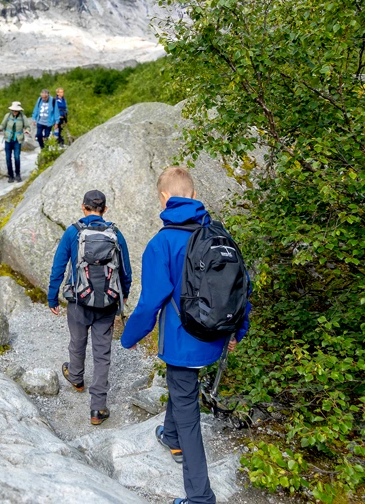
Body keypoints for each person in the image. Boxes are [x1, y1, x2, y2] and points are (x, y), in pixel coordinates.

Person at [120, 166, 251, 504]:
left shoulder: (161, 243)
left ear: (164, 198)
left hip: (182, 340)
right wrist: (239, 331)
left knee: (187, 404)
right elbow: (240, 288)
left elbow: (151, 301)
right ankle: (171, 436)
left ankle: (200, 496)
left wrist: (129, 337)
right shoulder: (218, 236)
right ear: (192, 195)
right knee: (181, 389)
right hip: (215, 336)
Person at [47, 190, 132, 426]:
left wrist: (52, 297)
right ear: (104, 209)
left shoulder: (73, 232)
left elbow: (58, 267)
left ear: (83, 207)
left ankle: (76, 378)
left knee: (77, 341)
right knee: (102, 353)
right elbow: (126, 272)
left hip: (78, 300)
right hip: (107, 302)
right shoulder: (115, 234)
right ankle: (97, 408)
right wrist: (121, 297)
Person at [0, 101, 29, 183]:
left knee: (17, 157)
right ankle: (10, 175)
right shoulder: (7, 116)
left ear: (19, 111)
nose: (15, 112)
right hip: (8, 139)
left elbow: (27, 126)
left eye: (16, 111)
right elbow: (3, 125)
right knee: (8, 158)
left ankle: (18, 174)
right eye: (13, 110)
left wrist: (27, 130)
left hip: (17, 140)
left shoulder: (23, 117)